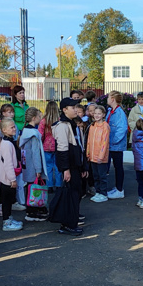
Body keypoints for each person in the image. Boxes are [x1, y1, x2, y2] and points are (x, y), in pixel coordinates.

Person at [52, 97, 87, 235]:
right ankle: (67, 224)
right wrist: (65, 169)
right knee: (71, 193)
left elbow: (80, 146)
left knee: (77, 192)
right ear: (65, 110)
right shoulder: (62, 126)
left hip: (76, 164)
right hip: (70, 166)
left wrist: (83, 166)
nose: (76, 110)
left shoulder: (73, 124)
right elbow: (62, 149)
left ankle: (73, 217)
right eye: (73, 108)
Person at [19, 107, 49, 222]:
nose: (41, 118)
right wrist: (38, 169)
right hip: (34, 167)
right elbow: (36, 153)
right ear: (34, 118)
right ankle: (34, 212)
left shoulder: (25, 132)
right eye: (39, 116)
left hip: (27, 166)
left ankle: (31, 210)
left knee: (30, 187)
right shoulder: (34, 134)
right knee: (35, 189)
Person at [0, 117, 23, 231]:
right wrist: (12, 179)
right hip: (7, 178)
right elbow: (8, 163)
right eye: (11, 127)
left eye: (14, 126)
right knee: (7, 200)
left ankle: (9, 219)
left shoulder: (6, 142)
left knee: (8, 199)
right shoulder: (7, 144)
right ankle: (6, 222)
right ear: (4, 130)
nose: (14, 129)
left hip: (7, 176)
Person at [105, 91, 128, 199]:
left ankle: (119, 190)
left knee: (118, 167)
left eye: (109, 97)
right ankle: (117, 188)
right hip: (112, 144)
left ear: (113, 99)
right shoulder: (111, 111)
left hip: (116, 145)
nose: (107, 98)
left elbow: (122, 129)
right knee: (116, 166)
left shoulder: (119, 113)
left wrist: (112, 141)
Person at [86, 104, 110, 203]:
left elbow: (105, 142)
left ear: (103, 114)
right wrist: (88, 153)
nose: (96, 115)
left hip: (101, 157)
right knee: (95, 175)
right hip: (92, 156)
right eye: (95, 113)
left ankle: (103, 193)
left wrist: (101, 156)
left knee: (102, 176)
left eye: (99, 113)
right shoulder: (92, 126)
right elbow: (89, 141)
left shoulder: (105, 126)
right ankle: (98, 192)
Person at [39, 101, 62, 190]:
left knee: (48, 167)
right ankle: (59, 184)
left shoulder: (44, 121)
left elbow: (40, 134)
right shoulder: (59, 120)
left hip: (46, 146)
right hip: (57, 146)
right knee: (57, 167)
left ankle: (49, 185)